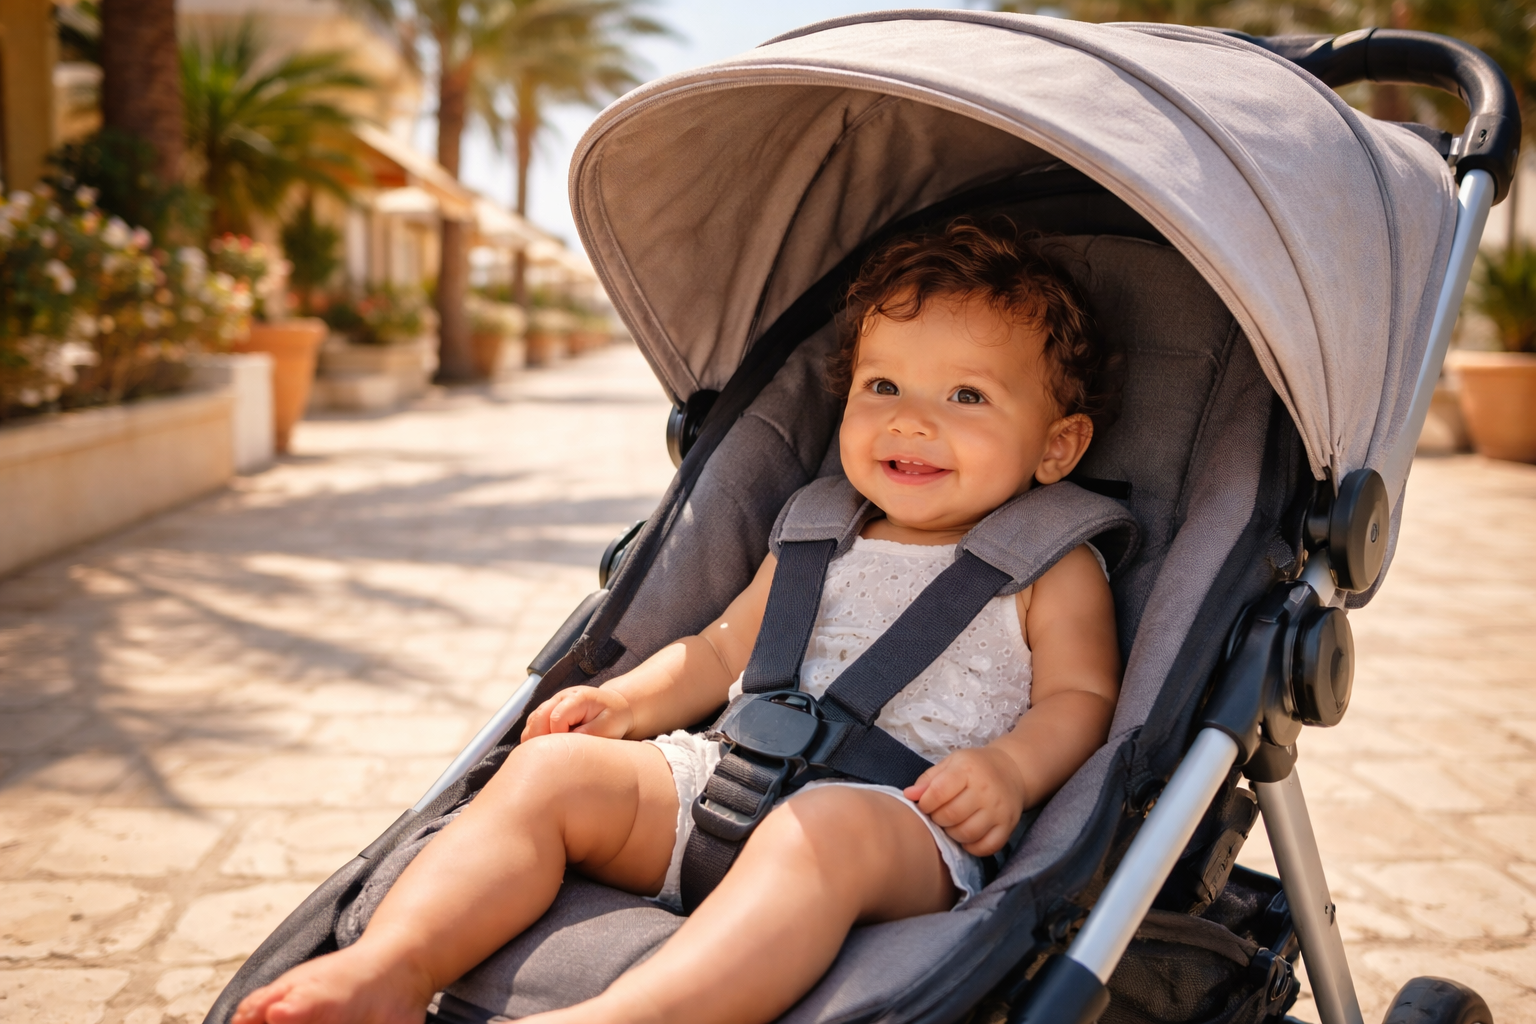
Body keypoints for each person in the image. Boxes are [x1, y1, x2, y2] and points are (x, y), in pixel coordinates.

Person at [233, 218, 1124, 1024]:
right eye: (882, 385)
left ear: (1058, 445)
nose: (912, 421)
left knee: (827, 834)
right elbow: (721, 649)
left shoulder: (1051, 567)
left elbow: (1083, 698)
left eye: (966, 397)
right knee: (548, 772)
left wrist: (1009, 769)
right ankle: (393, 965)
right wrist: (625, 705)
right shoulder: (815, 529)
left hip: (902, 822)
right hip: (720, 780)